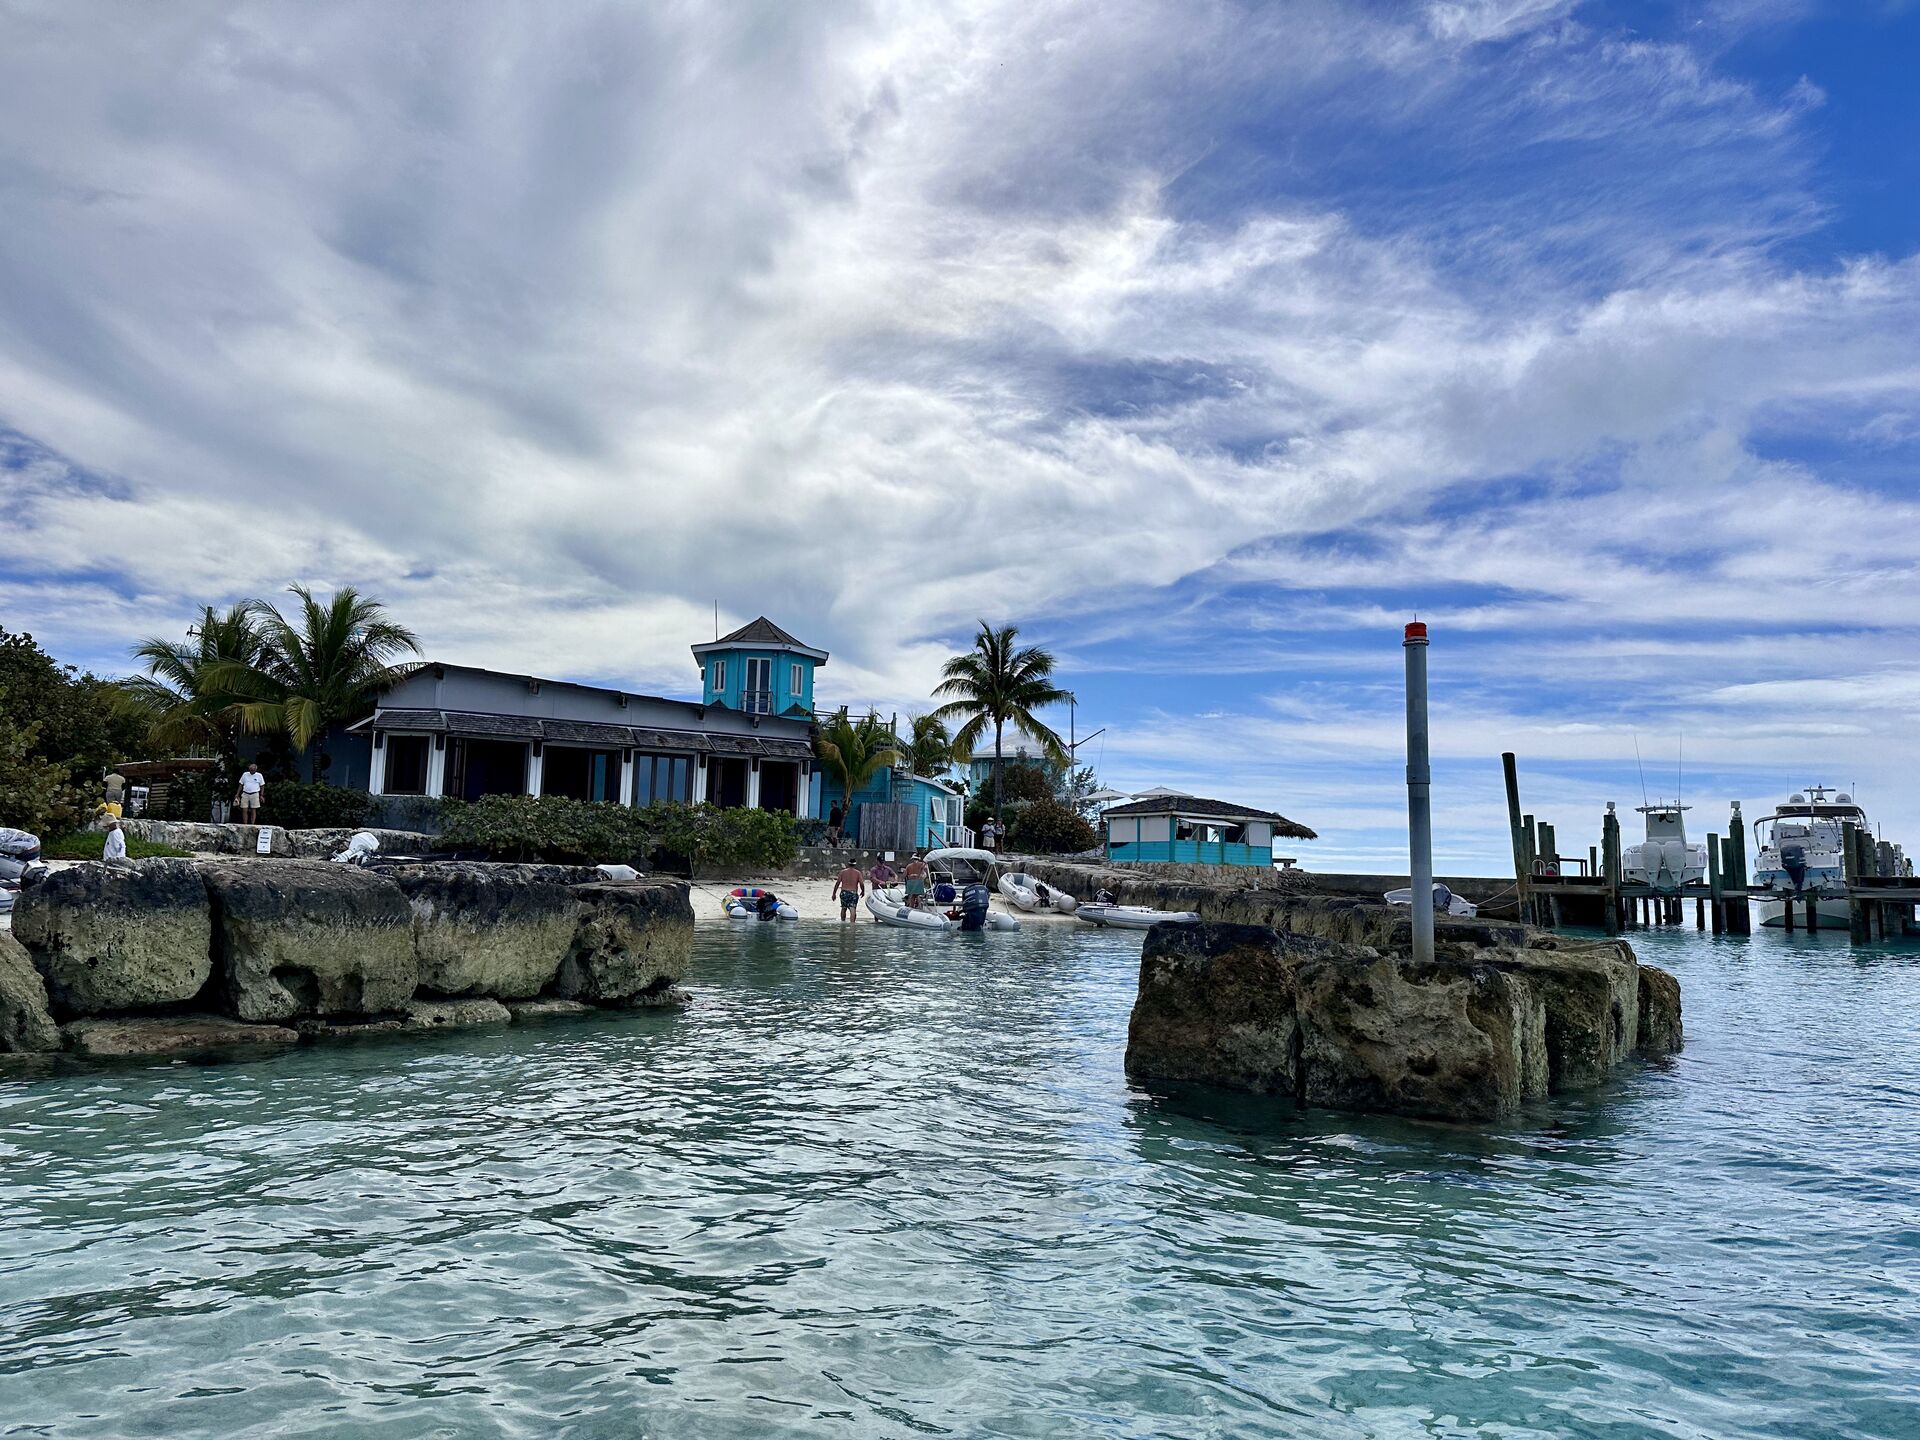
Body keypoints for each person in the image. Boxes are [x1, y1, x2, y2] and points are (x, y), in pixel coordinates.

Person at [831, 858, 865, 923]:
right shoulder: (858, 873)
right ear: (855, 865)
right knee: (852, 909)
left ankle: (843, 922)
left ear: (848, 864)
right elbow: (861, 883)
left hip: (844, 892)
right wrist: (863, 891)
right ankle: (852, 924)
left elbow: (837, 883)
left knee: (843, 908)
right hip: (853, 892)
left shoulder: (843, 872)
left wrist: (834, 893)